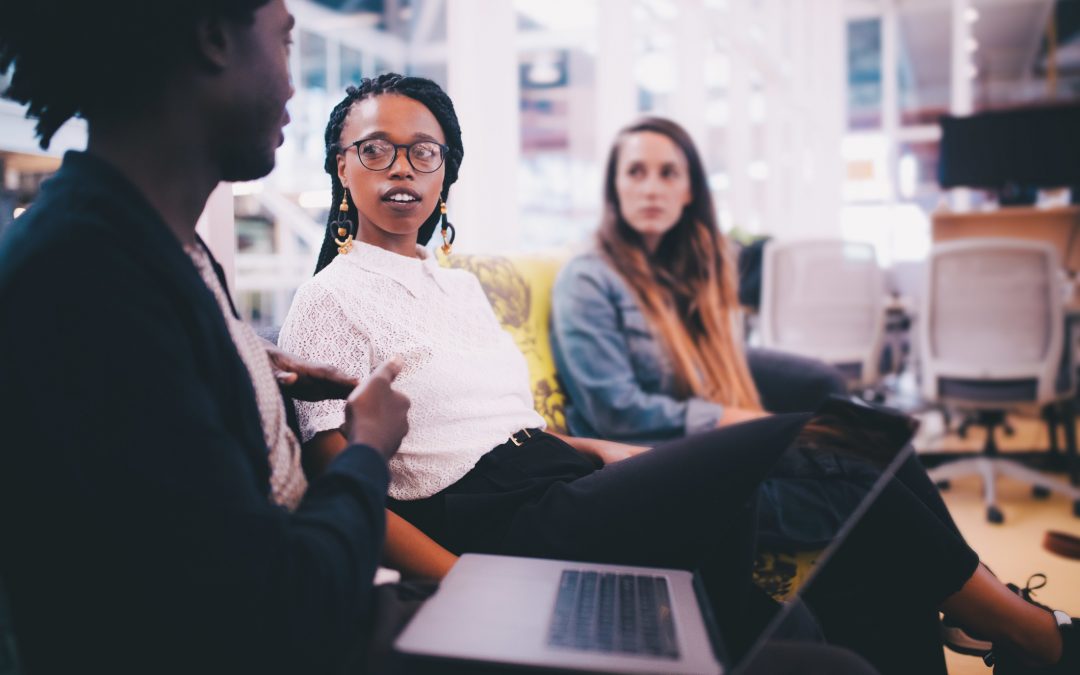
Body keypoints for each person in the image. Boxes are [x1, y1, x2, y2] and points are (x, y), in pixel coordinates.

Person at [279, 77, 1077, 675]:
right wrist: (466, 582)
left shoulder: (457, 283)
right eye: (374, 148)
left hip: (559, 479)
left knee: (854, 522)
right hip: (500, 527)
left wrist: (607, 452)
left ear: (446, 169)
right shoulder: (328, 298)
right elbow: (340, 482)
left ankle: (1003, 630)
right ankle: (1027, 631)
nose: (402, 169)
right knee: (820, 437)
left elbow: (508, 423)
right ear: (340, 167)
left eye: (425, 151)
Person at [548, 115, 1079, 674]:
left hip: (703, 451)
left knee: (865, 434)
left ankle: (994, 609)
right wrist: (729, 419)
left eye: (667, 173)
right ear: (615, 187)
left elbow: (714, 363)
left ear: (688, 190)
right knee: (857, 479)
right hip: (650, 464)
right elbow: (615, 409)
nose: (651, 186)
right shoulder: (589, 278)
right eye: (635, 172)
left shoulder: (690, 276)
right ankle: (1025, 627)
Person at [0, 4, 411, 675]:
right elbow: (273, 611)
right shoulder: (87, 279)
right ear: (214, 38)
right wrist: (367, 447)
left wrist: (250, 378)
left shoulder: (150, 243)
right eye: (283, 42)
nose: (289, 87)